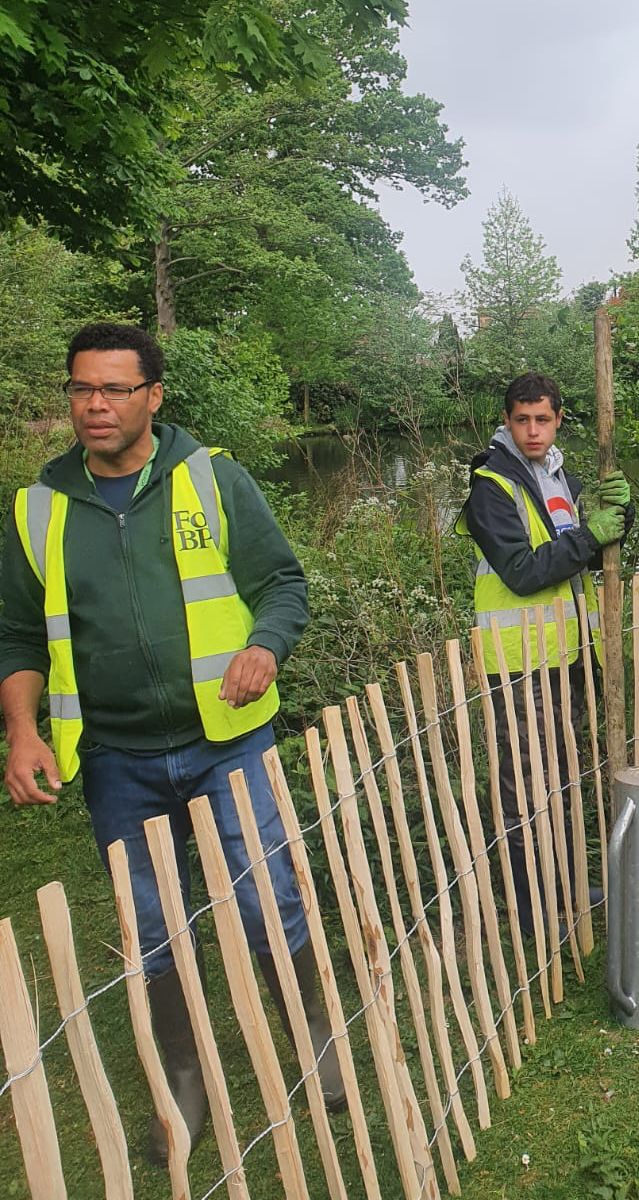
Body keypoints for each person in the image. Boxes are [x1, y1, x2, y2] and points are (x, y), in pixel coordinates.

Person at [0, 323, 344, 1163]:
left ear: (154, 395)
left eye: (116, 389)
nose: (96, 406)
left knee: (269, 898)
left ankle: (316, 1050)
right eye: (83, 388)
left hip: (226, 741)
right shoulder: (38, 506)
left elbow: (282, 584)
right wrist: (20, 731)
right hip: (116, 759)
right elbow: (16, 633)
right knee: (150, 923)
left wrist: (264, 645)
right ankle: (183, 1084)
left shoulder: (211, 478)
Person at [457, 371, 633, 939]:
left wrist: (612, 517)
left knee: (559, 778)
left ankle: (566, 889)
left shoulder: (560, 476)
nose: (533, 430)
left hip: (565, 656)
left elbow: (586, 551)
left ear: (559, 420)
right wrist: (590, 535)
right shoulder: (490, 486)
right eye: (521, 419)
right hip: (518, 661)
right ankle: (533, 912)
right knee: (524, 786)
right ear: (506, 421)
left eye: (543, 419)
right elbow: (524, 570)